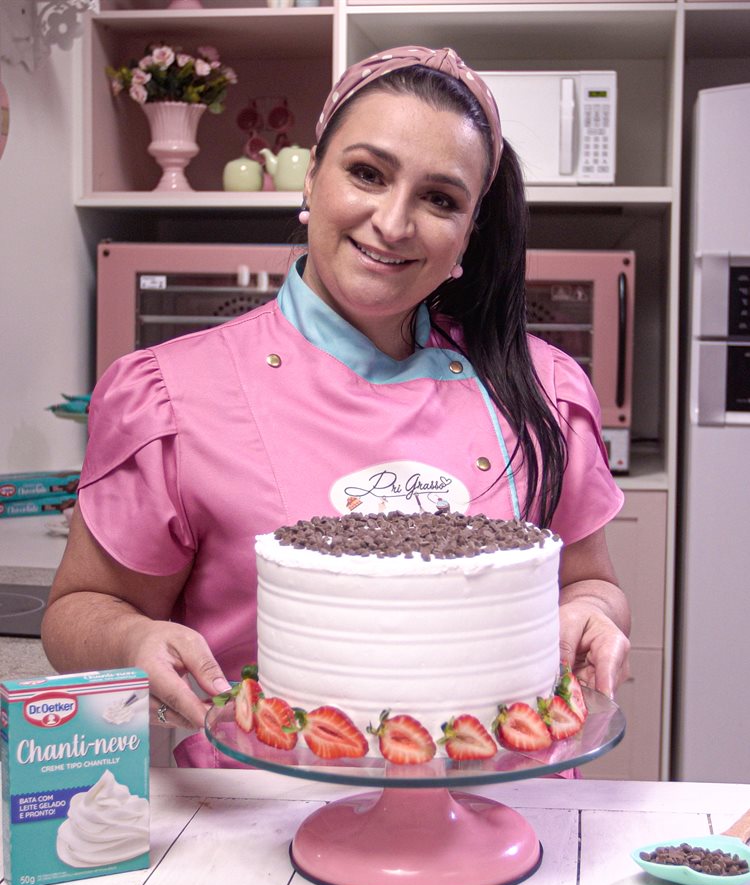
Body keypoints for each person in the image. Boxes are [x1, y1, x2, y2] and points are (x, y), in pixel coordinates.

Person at [43, 46, 630, 767]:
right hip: (251, 824)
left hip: (499, 807)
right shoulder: (174, 393)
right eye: (367, 173)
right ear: (313, 175)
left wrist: (591, 616)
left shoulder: (542, 392)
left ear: (469, 235)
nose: (393, 221)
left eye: (440, 199)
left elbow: (590, 582)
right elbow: (77, 612)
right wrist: (132, 640)